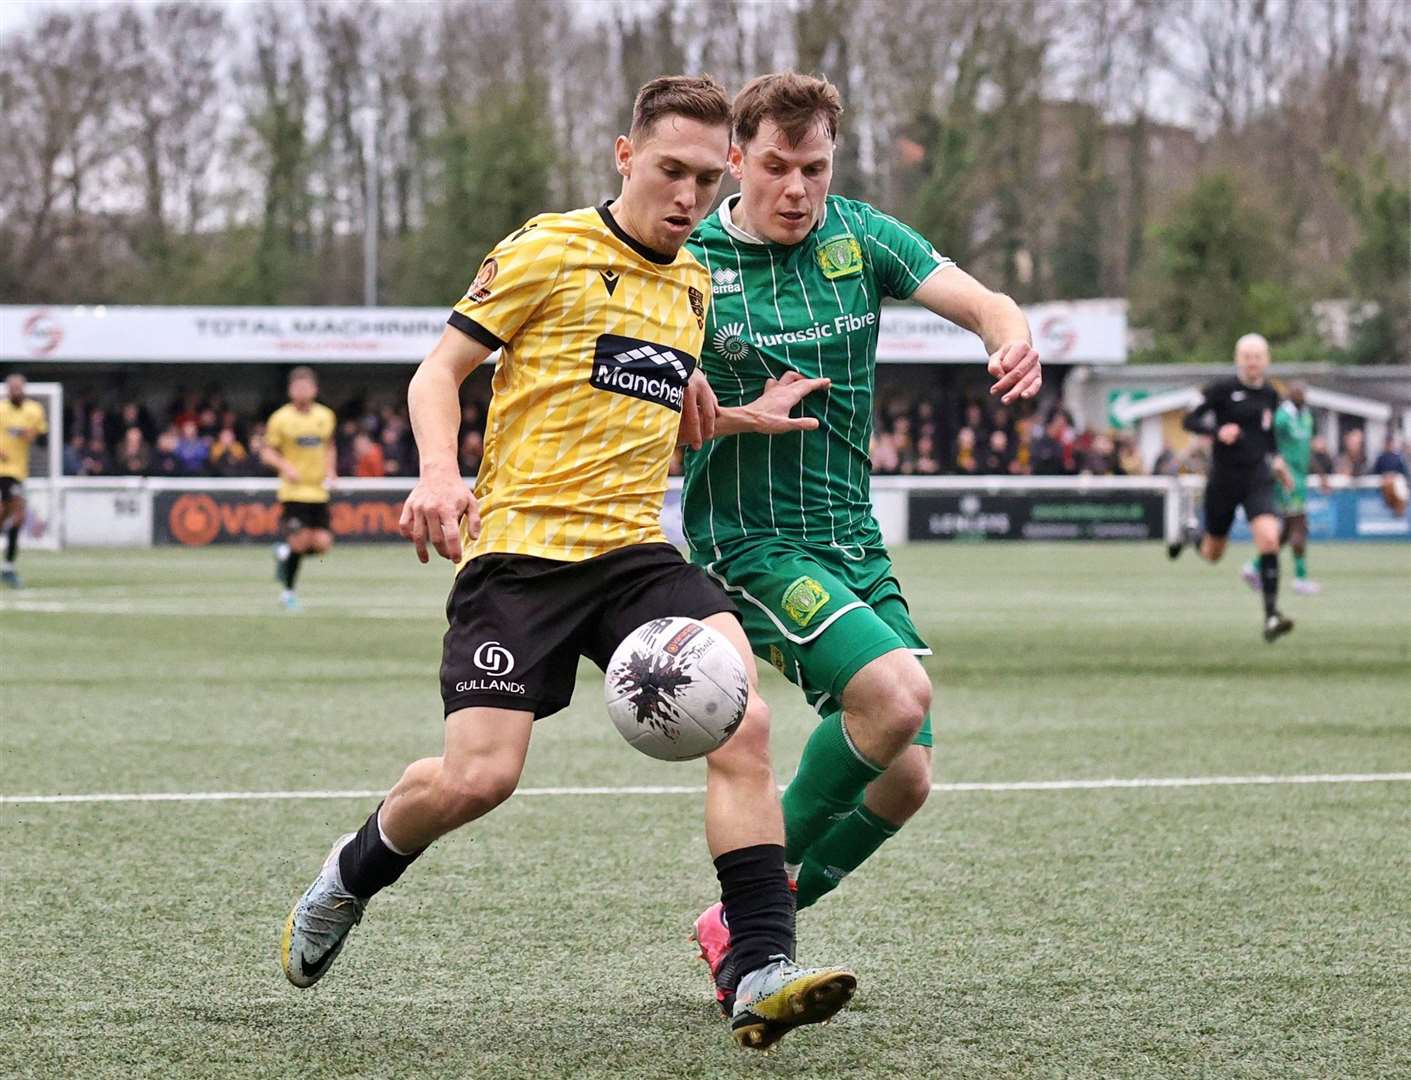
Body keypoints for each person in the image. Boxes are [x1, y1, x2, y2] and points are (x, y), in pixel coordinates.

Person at [278, 75, 856, 1052]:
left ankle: (758, 961)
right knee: (477, 779)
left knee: (743, 712)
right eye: (668, 169)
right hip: (521, 560)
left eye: (704, 178)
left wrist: (727, 411)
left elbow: (652, 395)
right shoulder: (546, 248)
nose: (685, 194)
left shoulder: (691, 284)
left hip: (632, 555)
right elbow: (438, 371)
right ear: (625, 157)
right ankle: (352, 872)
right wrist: (432, 473)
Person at [678, 72, 1040, 1015]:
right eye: (775, 167)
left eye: (814, 167)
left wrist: (1009, 334)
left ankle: (766, 908)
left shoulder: (860, 235)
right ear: (734, 160)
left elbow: (975, 295)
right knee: (896, 695)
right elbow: (639, 421)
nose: (797, 189)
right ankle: (750, 920)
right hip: (750, 543)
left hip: (853, 544)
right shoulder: (691, 263)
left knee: (907, 776)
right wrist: (735, 420)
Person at [1168, 333, 1294, 642]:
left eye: (1258, 356)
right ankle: (1191, 535)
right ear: (1238, 359)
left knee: (1269, 539)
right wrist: (1216, 429)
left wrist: (1277, 461)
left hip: (1257, 479)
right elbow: (1189, 421)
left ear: (1266, 360)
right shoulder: (1221, 389)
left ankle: (1271, 616)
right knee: (1213, 553)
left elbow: (1268, 436)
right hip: (1224, 479)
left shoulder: (1270, 394)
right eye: (1247, 356)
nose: (1252, 362)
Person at [260, 367, 337, 611]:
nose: (302, 391)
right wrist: (284, 466)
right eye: (297, 387)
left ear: (314, 390)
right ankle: (288, 593)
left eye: (307, 386)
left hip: (318, 492)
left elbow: (330, 446)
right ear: (291, 391)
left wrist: (331, 470)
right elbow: (267, 452)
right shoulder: (280, 419)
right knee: (301, 541)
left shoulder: (325, 416)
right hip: (293, 492)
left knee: (322, 544)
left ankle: (283, 552)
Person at [1242, 380, 1322, 596]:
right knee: (1300, 525)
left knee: (1286, 532)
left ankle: (1253, 567)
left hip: (1301, 478)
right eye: (1299, 392)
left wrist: (1321, 474)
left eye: (1304, 392)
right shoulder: (1281, 417)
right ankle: (1301, 579)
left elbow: (1306, 448)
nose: (1303, 395)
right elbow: (1265, 440)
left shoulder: (1306, 416)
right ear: (1290, 394)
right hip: (1286, 478)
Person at [0, 374, 49, 587]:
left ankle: (8, 567)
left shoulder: (34, 411)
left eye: (19, 389)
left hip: (19, 471)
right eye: (13, 389)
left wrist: (32, 436)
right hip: (3, 470)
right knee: (17, 513)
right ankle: (8, 567)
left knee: (12, 516)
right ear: (7, 390)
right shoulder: (1, 409)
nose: (16, 392)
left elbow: (43, 441)